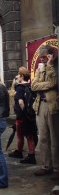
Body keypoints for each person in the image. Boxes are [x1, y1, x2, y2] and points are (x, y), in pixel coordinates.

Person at [31, 45, 59, 178]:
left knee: (54, 138)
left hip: (52, 105)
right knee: (42, 137)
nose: (42, 59)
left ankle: (56, 168)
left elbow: (54, 82)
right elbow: (34, 85)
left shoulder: (53, 66)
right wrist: (48, 85)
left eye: (44, 57)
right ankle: (45, 165)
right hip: (40, 105)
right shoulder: (39, 68)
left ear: (51, 55)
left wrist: (49, 65)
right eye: (41, 57)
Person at [9, 67, 37, 164]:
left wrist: (24, 112)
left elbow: (20, 102)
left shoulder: (20, 88)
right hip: (30, 115)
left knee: (22, 135)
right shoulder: (30, 86)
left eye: (18, 75)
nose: (17, 76)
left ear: (21, 76)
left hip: (22, 116)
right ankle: (26, 153)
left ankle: (28, 155)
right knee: (29, 135)